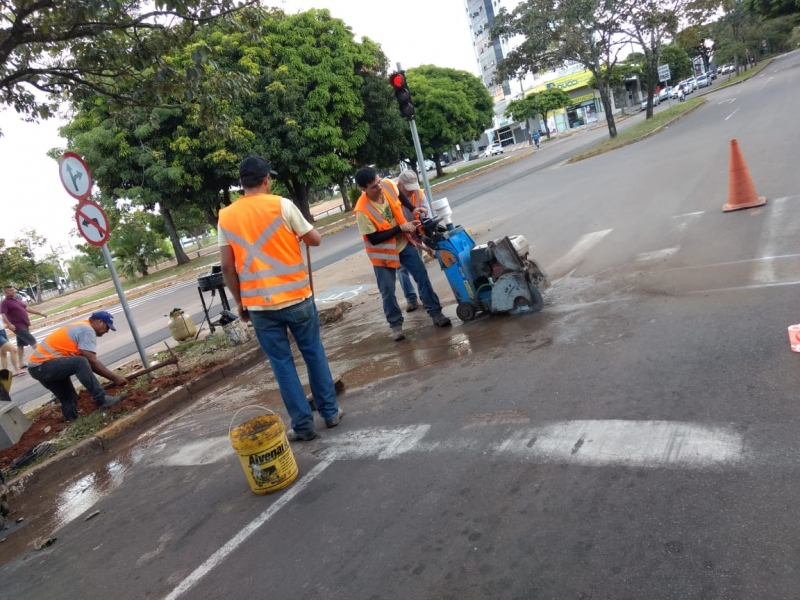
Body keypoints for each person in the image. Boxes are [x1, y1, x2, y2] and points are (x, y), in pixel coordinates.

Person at [219, 155, 342, 442]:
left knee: (282, 364)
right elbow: (315, 239)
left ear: (241, 183)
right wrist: (297, 235)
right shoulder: (282, 205)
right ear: (266, 180)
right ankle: (330, 413)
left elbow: (226, 267)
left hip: (260, 307)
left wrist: (240, 301)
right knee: (313, 354)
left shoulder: (226, 216)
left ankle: (303, 426)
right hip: (297, 298)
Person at [354, 166, 452, 342]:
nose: (379, 187)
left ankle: (436, 313)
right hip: (383, 255)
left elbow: (399, 194)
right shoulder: (362, 210)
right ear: (363, 189)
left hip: (403, 244)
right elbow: (374, 238)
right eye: (374, 187)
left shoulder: (387, 185)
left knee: (422, 276)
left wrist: (413, 208)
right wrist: (400, 227)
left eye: (379, 182)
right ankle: (396, 326)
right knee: (387, 291)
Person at [27, 311, 127, 421]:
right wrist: (115, 378)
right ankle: (102, 399)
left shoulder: (81, 325)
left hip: (38, 368)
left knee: (68, 397)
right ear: (100, 322)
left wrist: (114, 378)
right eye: (107, 327)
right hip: (43, 365)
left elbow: (89, 363)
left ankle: (71, 419)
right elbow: (90, 361)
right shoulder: (87, 330)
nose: (107, 331)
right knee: (80, 361)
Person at [395, 170, 435, 313]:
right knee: (401, 268)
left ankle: (425, 297)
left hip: (416, 234)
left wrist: (430, 245)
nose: (412, 192)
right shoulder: (392, 197)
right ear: (400, 185)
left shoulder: (419, 195)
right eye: (408, 189)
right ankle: (411, 299)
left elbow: (427, 223)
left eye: (414, 187)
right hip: (400, 237)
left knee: (419, 266)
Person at [1, 284, 45, 370]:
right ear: (5, 293)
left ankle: (21, 363)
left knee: (20, 344)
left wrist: (40, 313)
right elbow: (3, 314)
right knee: (33, 342)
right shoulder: (5, 302)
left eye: (13, 290)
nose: (13, 291)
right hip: (17, 326)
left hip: (24, 324)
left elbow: (27, 308)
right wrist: (9, 324)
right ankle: (45, 357)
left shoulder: (16, 299)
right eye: (10, 290)